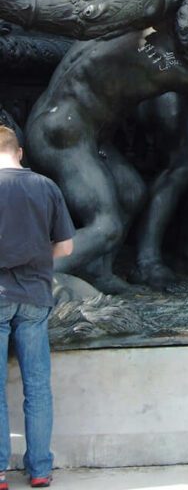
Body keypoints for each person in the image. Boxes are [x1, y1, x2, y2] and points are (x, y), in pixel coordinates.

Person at [23, 0, 188, 293]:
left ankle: (99, 271)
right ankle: (31, 274)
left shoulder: (136, 17)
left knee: (132, 192)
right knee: (105, 226)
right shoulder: (173, 68)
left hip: (77, 128)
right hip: (62, 137)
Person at [0, 125, 74, 489]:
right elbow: (66, 248)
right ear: (21, 152)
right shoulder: (46, 187)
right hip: (35, 297)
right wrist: (35, 258)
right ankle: (40, 468)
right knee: (38, 387)